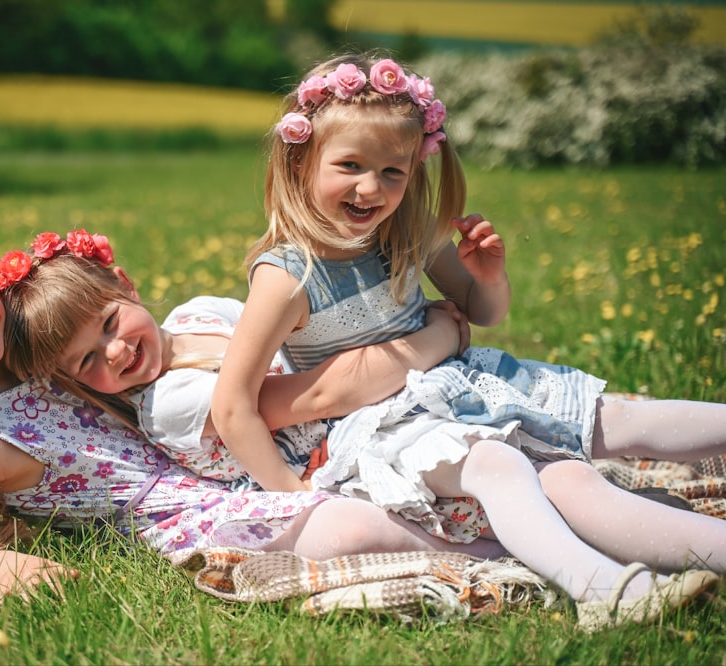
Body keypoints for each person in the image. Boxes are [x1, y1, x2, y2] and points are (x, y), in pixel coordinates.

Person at [206, 52, 725, 629]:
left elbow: (483, 312)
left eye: (392, 172)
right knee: (497, 465)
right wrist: (294, 492)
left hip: (463, 385)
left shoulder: (406, 234)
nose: (370, 188)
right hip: (386, 427)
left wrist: (488, 277)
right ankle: (603, 589)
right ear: (302, 162)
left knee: (611, 423)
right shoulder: (287, 277)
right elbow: (232, 403)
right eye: (349, 165)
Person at [0, 215, 508, 600]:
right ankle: (502, 558)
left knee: (399, 477)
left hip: (220, 463)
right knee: (351, 529)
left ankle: (507, 522)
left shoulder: (37, 357)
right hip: (186, 514)